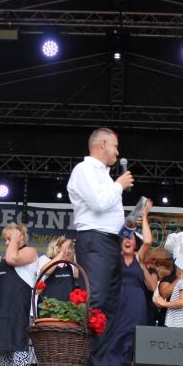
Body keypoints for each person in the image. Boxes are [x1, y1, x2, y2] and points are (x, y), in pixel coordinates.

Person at [66, 127, 134, 338]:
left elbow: (107, 215)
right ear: (103, 144)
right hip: (95, 240)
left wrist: (128, 225)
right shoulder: (84, 170)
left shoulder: (105, 176)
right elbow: (99, 203)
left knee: (110, 305)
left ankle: (101, 357)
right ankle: (80, 353)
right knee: (95, 299)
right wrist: (119, 185)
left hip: (110, 242)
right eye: (115, 146)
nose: (118, 152)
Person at [95, 200, 155, 366]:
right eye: (125, 239)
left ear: (136, 244)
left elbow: (148, 241)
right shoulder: (115, 257)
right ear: (120, 243)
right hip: (117, 302)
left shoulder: (139, 259)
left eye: (132, 239)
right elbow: (123, 232)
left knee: (132, 338)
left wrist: (144, 216)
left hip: (136, 305)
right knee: (114, 336)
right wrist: (135, 214)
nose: (128, 240)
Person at [0, 223, 38, 366]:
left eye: (8, 239)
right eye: (5, 239)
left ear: (20, 237)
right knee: (3, 347)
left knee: (18, 344)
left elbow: (12, 259)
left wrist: (15, 241)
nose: (6, 243)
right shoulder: (2, 259)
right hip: (2, 308)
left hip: (20, 309)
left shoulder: (29, 251)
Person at [154, 255, 183, 328]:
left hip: (182, 326)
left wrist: (164, 303)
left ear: (179, 268)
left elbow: (182, 302)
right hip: (177, 325)